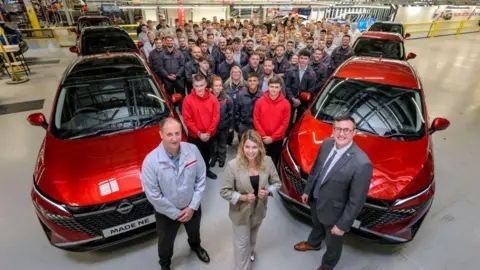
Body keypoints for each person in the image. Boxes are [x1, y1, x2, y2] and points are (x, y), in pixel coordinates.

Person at [293, 115, 373, 270]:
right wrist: (307, 191)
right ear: (333, 129)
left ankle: (328, 265)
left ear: (354, 133)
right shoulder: (327, 144)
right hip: (316, 199)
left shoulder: (362, 163)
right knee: (316, 224)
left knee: (333, 242)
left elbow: (356, 200)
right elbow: (316, 169)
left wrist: (342, 225)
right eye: (338, 129)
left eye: (346, 130)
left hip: (335, 213)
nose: (341, 134)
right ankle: (313, 243)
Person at [141, 118, 211, 270]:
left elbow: (201, 179)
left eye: (177, 133)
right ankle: (165, 263)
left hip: (191, 206)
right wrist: (175, 213)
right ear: (161, 134)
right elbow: (153, 195)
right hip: (167, 213)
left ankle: (195, 246)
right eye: (169, 134)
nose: (174, 138)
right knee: (165, 241)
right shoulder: (151, 161)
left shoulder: (192, 150)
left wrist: (192, 207)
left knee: (194, 231)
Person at [219, 129, 281, 270]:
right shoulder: (233, 166)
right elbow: (224, 191)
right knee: (241, 244)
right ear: (242, 147)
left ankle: (251, 251)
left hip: (258, 210)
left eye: (254, 147)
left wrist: (267, 192)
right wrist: (242, 197)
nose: (251, 151)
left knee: (252, 237)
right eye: (247, 147)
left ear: (260, 147)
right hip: (240, 212)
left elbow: (277, 184)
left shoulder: (268, 161)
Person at [182, 74, 220, 179]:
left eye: (201, 85)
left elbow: (215, 118)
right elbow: (187, 120)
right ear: (193, 86)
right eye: (197, 86)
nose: (199, 88)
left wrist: (208, 133)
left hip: (210, 136)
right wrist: (199, 133)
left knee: (207, 155)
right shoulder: (188, 100)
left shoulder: (213, 99)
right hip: (195, 137)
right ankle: (198, 175)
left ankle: (206, 170)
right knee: (195, 157)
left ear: (206, 84)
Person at [253, 76, 291, 166]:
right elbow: (256, 119)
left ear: (280, 88)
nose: (274, 89)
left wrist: (273, 138)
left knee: (273, 162)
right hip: (261, 138)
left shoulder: (286, 104)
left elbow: (284, 124)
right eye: (272, 86)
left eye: (276, 87)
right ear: (268, 86)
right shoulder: (260, 101)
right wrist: (263, 135)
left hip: (277, 140)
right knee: (259, 160)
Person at [209, 76, 234, 168]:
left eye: (220, 85)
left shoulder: (227, 98)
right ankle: (214, 157)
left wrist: (231, 126)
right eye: (216, 86)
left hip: (224, 126)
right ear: (212, 86)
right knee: (213, 144)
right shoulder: (208, 98)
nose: (218, 88)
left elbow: (231, 113)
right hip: (211, 127)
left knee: (222, 144)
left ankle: (222, 158)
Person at [235, 72, 262, 142]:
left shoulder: (262, 96)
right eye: (250, 81)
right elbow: (236, 111)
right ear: (247, 82)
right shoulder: (240, 95)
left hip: (257, 127)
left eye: (254, 80)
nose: (252, 83)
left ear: (258, 82)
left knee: (255, 146)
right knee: (243, 146)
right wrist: (239, 125)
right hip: (244, 126)